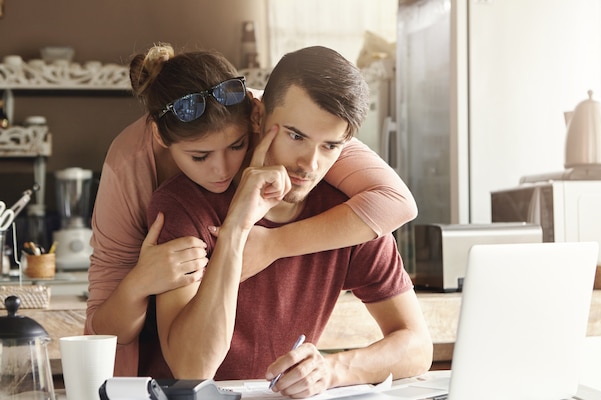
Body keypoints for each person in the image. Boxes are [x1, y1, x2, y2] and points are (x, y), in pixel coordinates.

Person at [85, 43, 418, 377]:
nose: (310, 163)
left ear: (252, 120)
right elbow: (180, 364)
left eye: (236, 146)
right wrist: (233, 232)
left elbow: (416, 346)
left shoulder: (351, 212)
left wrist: (334, 371)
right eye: (294, 135)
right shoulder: (175, 199)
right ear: (261, 118)